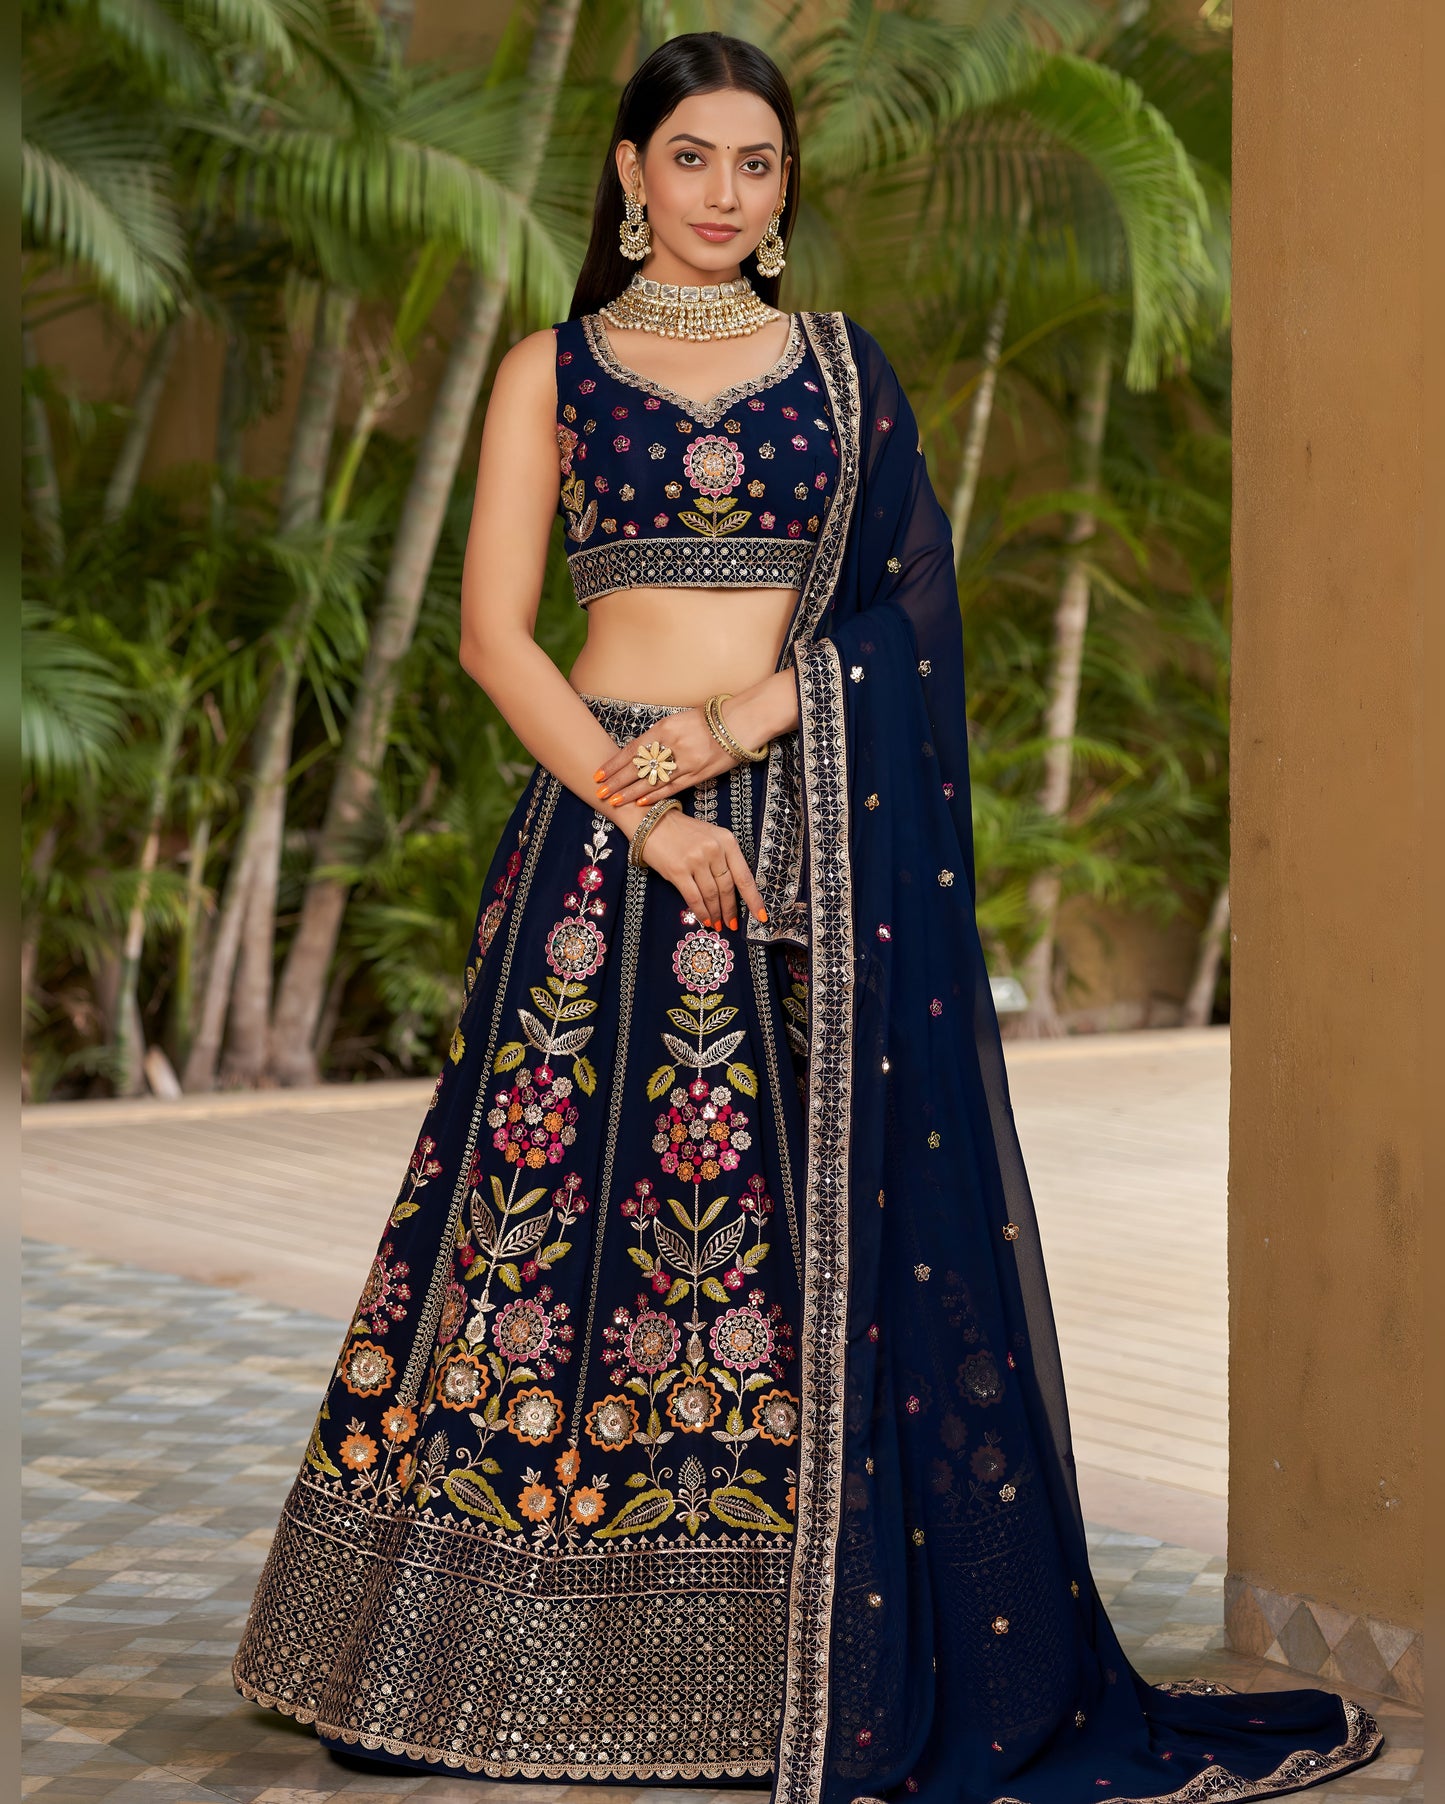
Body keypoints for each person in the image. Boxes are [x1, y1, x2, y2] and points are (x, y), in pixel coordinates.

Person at [231, 31, 1384, 1804]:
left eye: (754, 165)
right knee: (545, 1234)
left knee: (791, 1243)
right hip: (603, 841)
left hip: (808, 832)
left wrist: (743, 733)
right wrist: (651, 808)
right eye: (688, 159)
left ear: (785, 190)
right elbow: (493, 637)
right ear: (628, 174)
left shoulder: (844, 376)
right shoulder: (551, 368)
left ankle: (787, 1659)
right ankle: (466, 1660)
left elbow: (907, 615)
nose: (720, 194)